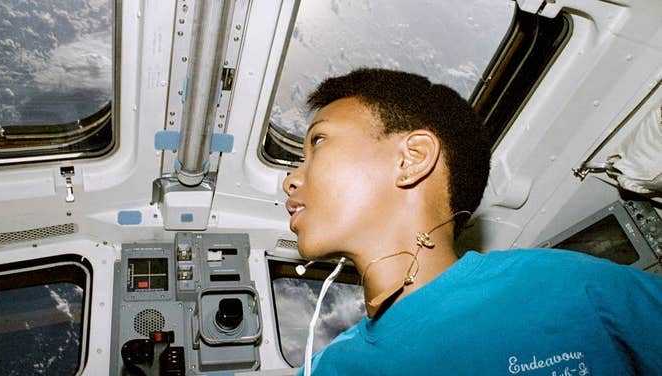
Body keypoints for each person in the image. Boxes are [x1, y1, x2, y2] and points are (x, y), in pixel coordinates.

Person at [282, 68, 662, 375]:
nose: (290, 179)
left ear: (412, 158)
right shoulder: (331, 368)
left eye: (318, 142)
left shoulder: (567, 284)